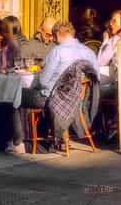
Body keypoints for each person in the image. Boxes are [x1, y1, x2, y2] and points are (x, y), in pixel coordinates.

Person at [21, 22, 99, 150]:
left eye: (53, 36)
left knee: (18, 95)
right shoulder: (89, 52)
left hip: (56, 100)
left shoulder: (57, 51)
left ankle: (25, 142)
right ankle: (56, 135)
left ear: (57, 34)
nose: (52, 39)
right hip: (80, 100)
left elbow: (43, 82)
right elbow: (95, 79)